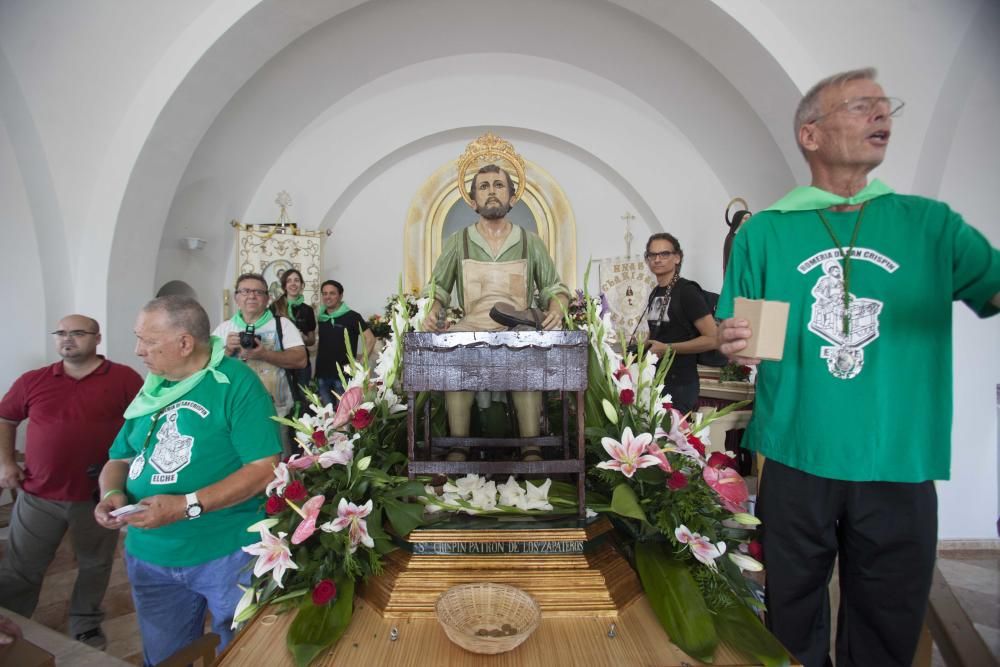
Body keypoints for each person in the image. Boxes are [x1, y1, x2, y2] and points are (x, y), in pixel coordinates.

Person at [716, 68, 1000, 667]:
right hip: (797, 456)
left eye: (884, 105)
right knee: (790, 620)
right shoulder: (764, 233)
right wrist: (733, 341)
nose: (882, 116)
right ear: (810, 135)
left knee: (887, 628)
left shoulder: (930, 225)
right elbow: (733, 334)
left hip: (897, 458)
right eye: (861, 106)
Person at [93, 295, 281, 665]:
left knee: (243, 652)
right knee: (167, 657)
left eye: (148, 341)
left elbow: (263, 468)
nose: (137, 350)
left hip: (225, 552)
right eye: (138, 338)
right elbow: (120, 457)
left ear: (184, 343)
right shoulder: (153, 387)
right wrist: (112, 492)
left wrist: (185, 505)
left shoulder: (235, 383)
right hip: (150, 553)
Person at [0, 315, 142, 649]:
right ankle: (11, 623)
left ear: (97, 339)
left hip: (97, 496)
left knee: (95, 565)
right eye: (61, 333)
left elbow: (142, 426)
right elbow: (6, 417)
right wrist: (5, 461)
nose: (67, 339)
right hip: (38, 494)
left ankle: (86, 623)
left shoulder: (124, 378)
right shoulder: (34, 380)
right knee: (22, 567)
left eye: (77, 333)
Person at [422, 147, 569, 461]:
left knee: (526, 356)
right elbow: (438, 289)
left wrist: (556, 307)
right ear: (473, 199)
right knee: (454, 350)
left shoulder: (531, 242)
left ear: (512, 196)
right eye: (484, 186)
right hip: (472, 326)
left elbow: (553, 287)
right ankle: (459, 444)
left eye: (499, 185)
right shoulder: (457, 241)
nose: (492, 192)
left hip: (518, 328)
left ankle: (531, 445)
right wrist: (433, 310)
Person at [213, 273, 307, 455]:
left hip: (276, 411)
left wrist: (265, 353)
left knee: (278, 464)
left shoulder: (283, 325)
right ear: (236, 297)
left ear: (267, 298)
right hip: (234, 412)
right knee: (239, 461)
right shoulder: (224, 329)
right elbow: (205, 368)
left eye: (258, 292)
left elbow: (301, 360)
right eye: (245, 291)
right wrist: (226, 351)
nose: (251, 296)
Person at [641, 233, 718, 414]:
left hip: (680, 383)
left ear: (677, 257)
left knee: (672, 441)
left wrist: (667, 348)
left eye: (664, 254)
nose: (657, 259)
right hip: (656, 380)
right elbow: (659, 334)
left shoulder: (687, 292)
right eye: (652, 255)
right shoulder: (656, 292)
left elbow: (713, 339)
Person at [314, 279, 375, 408]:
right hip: (322, 374)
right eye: (324, 293)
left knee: (345, 415)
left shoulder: (352, 316)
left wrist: (362, 361)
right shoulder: (320, 317)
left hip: (343, 375)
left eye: (332, 293)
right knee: (326, 415)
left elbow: (370, 338)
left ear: (340, 296)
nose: (327, 297)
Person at [272, 268, 316, 397]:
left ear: (302, 285)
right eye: (289, 281)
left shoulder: (307, 310)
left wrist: (303, 337)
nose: (293, 283)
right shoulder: (274, 307)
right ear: (284, 286)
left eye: (296, 280)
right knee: (283, 397)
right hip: (281, 359)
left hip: (302, 361)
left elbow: (311, 340)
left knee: (303, 397)